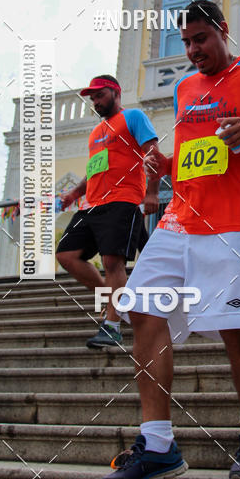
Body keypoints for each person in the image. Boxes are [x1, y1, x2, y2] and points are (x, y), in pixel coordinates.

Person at [100, 1, 240, 479]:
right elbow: (201, 155)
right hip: (179, 222)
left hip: (237, 224)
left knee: (235, 327)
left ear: (222, 31)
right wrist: (166, 166)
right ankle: (157, 447)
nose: (194, 50)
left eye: (201, 38)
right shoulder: (184, 88)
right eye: (187, 42)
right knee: (143, 310)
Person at [56, 75, 159, 348]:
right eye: (92, 98)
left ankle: (112, 326)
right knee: (66, 255)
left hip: (123, 200)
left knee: (113, 262)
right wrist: (73, 195)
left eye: (99, 95)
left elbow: (153, 154)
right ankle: (114, 299)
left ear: (115, 92)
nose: (95, 102)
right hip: (92, 205)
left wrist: (152, 192)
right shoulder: (95, 133)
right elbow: (94, 170)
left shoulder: (133, 117)